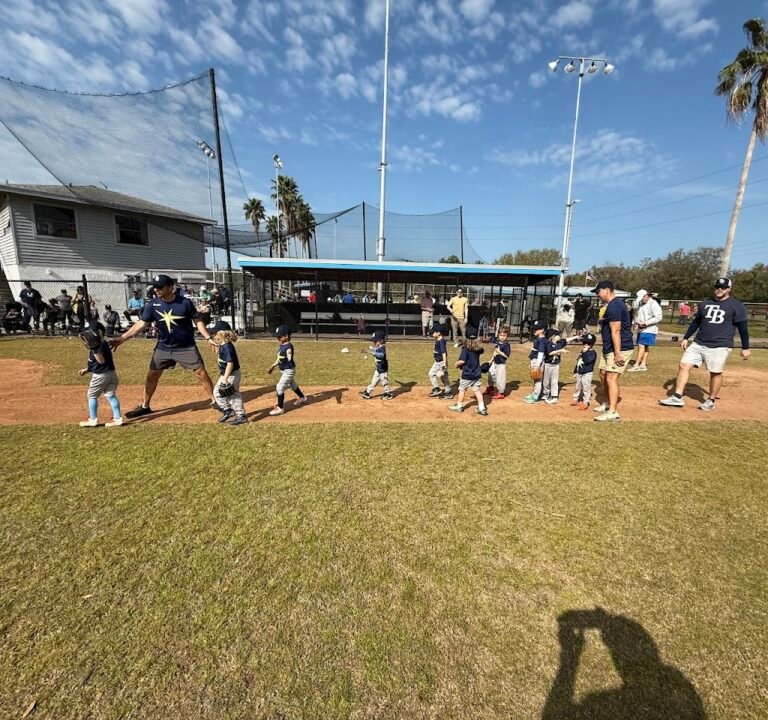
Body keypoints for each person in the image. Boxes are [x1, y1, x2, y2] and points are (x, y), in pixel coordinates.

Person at [110, 274, 217, 419]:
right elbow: (142, 324)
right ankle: (145, 406)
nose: (157, 289)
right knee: (152, 375)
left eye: (160, 287)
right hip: (164, 347)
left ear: (170, 288)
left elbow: (197, 320)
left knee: (201, 373)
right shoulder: (152, 304)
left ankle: (215, 401)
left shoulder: (184, 303)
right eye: (155, 287)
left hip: (185, 347)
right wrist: (122, 338)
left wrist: (208, 337)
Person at [659, 277, 750, 411]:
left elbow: (742, 327)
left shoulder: (736, 305)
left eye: (723, 287)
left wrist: (745, 347)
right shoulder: (706, 303)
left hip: (720, 344)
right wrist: (686, 337)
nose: (719, 289)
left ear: (729, 289)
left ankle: (711, 400)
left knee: (715, 372)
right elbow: (696, 322)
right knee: (684, 365)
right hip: (699, 342)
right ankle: (677, 397)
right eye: (717, 286)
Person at [592, 280, 634, 422]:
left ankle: (613, 411)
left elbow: (616, 331)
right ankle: (608, 403)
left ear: (607, 290)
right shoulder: (611, 306)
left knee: (611, 377)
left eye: (598, 292)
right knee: (603, 374)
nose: (598, 295)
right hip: (608, 347)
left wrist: (617, 353)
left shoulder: (615, 306)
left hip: (620, 348)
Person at [77, 323, 123, 428]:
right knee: (110, 395)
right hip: (111, 374)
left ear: (98, 333)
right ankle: (118, 419)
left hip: (100, 376)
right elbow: (95, 362)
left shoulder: (97, 346)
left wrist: (94, 347)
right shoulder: (103, 343)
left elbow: (101, 361)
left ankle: (93, 419)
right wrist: (87, 369)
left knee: (92, 395)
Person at [211, 320, 247, 426]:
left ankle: (241, 416)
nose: (214, 334)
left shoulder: (227, 347)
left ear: (222, 334)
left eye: (216, 332)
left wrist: (225, 379)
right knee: (217, 392)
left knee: (233, 395)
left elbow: (230, 364)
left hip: (231, 375)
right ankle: (228, 410)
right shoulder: (223, 345)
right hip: (226, 375)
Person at [267, 324, 307, 415]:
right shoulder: (281, 346)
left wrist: (289, 357)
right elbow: (279, 359)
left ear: (286, 336)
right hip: (285, 370)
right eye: (277, 337)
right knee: (292, 385)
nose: (278, 338)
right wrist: (272, 367)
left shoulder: (288, 346)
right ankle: (302, 397)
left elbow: (289, 353)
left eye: (280, 336)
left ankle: (280, 408)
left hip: (289, 371)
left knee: (280, 387)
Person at [449, 327, 487, 415]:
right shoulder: (478, 349)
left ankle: (459, 406)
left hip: (467, 374)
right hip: (477, 374)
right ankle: (482, 408)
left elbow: (462, 361)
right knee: (477, 390)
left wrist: (456, 363)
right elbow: (481, 350)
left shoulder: (465, 349)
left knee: (462, 389)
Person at [628, 290, 663, 372]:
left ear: (647, 295)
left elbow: (658, 317)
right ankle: (643, 364)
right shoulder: (642, 304)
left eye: (642, 298)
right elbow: (638, 315)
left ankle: (637, 364)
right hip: (642, 329)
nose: (641, 300)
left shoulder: (653, 304)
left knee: (641, 346)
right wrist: (636, 323)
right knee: (645, 346)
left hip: (649, 329)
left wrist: (646, 323)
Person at [360, 330, 394, 400]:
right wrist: (372, 348)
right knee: (374, 381)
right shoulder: (379, 347)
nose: (374, 342)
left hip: (383, 369)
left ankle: (388, 394)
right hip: (378, 368)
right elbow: (377, 349)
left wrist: (370, 352)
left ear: (381, 341)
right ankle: (367, 392)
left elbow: (381, 355)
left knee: (384, 382)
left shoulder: (382, 348)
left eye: (375, 341)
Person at [570, 333, 597, 410]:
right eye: (584, 342)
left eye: (588, 343)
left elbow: (587, 361)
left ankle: (586, 402)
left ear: (592, 344)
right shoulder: (583, 351)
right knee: (577, 386)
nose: (585, 344)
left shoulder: (592, 353)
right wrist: (575, 371)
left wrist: (585, 353)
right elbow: (579, 361)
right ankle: (575, 399)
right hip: (580, 372)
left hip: (587, 373)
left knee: (586, 387)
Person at [523, 320, 548, 404]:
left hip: (538, 361)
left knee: (537, 379)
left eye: (536, 329)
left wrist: (537, 365)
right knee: (535, 378)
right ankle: (534, 393)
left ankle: (536, 396)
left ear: (542, 330)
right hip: (535, 360)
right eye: (534, 329)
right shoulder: (539, 339)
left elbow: (541, 354)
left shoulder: (541, 340)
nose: (534, 330)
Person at [542, 328, 568, 404]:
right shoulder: (548, 344)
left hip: (555, 365)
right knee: (546, 381)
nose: (559, 336)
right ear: (552, 336)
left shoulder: (559, 343)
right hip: (547, 365)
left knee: (554, 381)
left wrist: (576, 337)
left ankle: (554, 396)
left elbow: (567, 340)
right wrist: (560, 351)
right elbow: (550, 353)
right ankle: (546, 393)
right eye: (557, 335)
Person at [484, 325, 511, 399]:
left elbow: (506, 356)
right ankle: (491, 388)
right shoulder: (498, 342)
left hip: (501, 364)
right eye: (500, 335)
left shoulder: (506, 345)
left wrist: (499, 352)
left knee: (500, 378)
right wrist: (491, 360)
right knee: (490, 374)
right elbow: (495, 352)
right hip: (495, 362)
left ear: (507, 336)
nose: (502, 337)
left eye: (504, 335)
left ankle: (501, 393)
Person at [427, 323, 452, 399]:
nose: (432, 333)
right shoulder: (439, 340)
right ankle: (447, 391)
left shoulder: (441, 341)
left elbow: (444, 353)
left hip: (441, 362)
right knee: (444, 377)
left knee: (432, 374)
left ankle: (438, 389)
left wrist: (444, 364)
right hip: (438, 362)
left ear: (439, 333)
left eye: (434, 332)